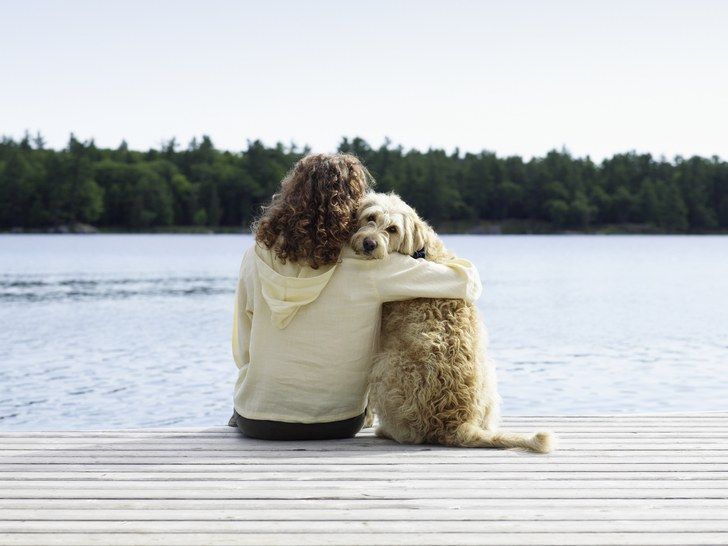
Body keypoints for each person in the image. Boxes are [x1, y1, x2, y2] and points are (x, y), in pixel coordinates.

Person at [230, 153, 482, 440]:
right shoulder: (372, 265)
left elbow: (242, 346)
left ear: (289, 195)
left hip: (256, 419)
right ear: (352, 205)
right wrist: (424, 247)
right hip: (337, 422)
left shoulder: (255, 255)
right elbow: (467, 283)